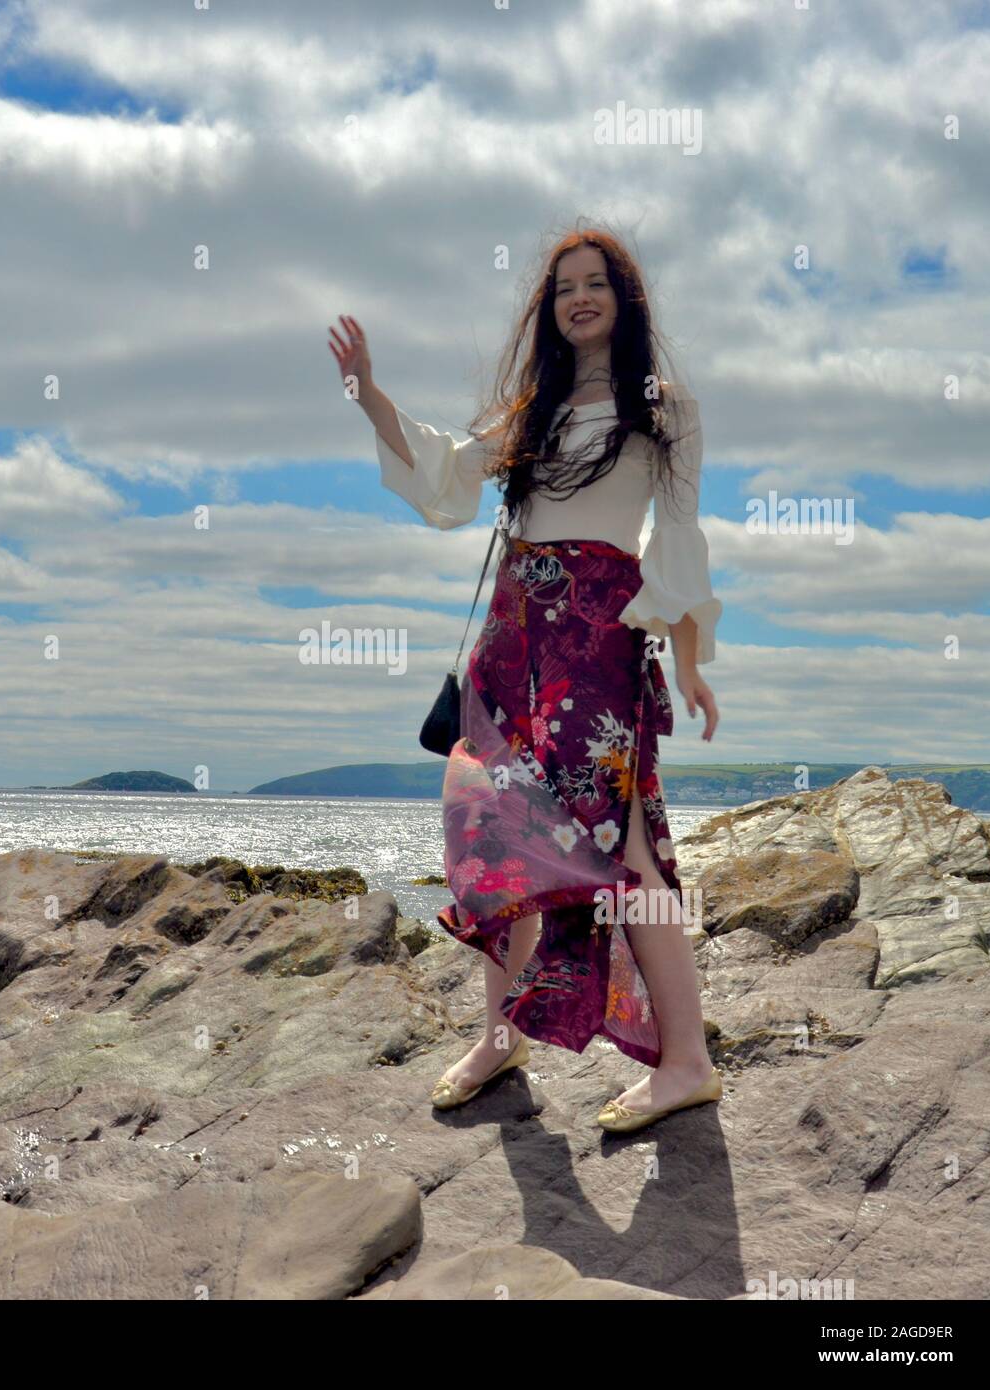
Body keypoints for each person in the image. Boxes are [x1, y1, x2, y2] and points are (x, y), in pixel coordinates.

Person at [328, 226, 725, 1132]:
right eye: (563, 287)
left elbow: (679, 543)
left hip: (598, 638)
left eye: (597, 283)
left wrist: (692, 666)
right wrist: (368, 395)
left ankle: (689, 1061)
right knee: (491, 833)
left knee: (624, 853)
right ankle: (501, 1038)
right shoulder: (530, 407)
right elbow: (445, 473)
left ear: (626, 299)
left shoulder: (663, 405)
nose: (578, 298)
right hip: (514, 636)